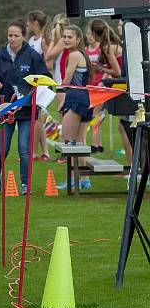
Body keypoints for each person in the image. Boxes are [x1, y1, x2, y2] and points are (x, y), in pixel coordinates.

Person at [0, 20, 51, 195]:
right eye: (10, 35)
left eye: (16, 35)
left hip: (27, 110)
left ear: (23, 36)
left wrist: (37, 90)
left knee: (24, 147)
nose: (12, 39)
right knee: (2, 148)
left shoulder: (33, 56)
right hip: (5, 109)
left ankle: (25, 184)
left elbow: (46, 78)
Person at [57, 25, 95, 190]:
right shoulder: (82, 55)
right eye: (64, 36)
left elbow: (66, 81)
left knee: (69, 140)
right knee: (80, 141)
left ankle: (73, 179)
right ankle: (85, 179)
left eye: (69, 37)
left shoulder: (73, 55)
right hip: (85, 98)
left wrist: (53, 87)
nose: (66, 39)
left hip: (76, 99)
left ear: (78, 39)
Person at [85, 19, 121, 153]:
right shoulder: (109, 45)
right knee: (98, 115)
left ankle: (95, 145)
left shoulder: (106, 47)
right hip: (105, 84)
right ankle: (97, 144)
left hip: (119, 84)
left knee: (96, 114)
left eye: (90, 33)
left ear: (95, 33)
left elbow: (117, 71)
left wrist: (101, 69)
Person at [26, 10, 52, 161]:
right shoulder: (31, 40)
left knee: (35, 117)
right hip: (34, 83)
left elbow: (48, 62)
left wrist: (39, 79)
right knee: (38, 118)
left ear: (35, 22)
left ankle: (34, 153)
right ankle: (45, 152)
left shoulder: (43, 40)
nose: (27, 24)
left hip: (42, 83)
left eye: (29, 21)